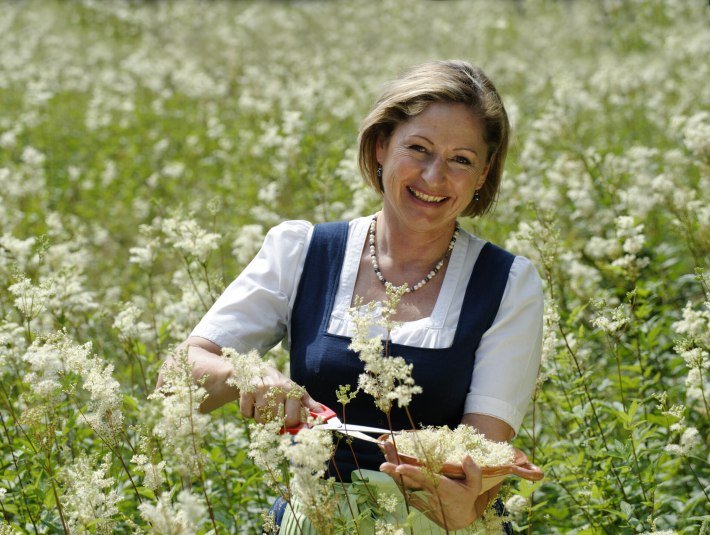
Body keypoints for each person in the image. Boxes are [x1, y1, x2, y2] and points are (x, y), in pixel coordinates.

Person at [160, 60, 543, 532]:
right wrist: (245, 375)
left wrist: (464, 503)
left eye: (460, 160)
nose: (434, 176)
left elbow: (485, 463)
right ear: (381, 146)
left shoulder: (508, 283)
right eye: (417, 149)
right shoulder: (303, 250)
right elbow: (179, 372)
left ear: (483, 175)